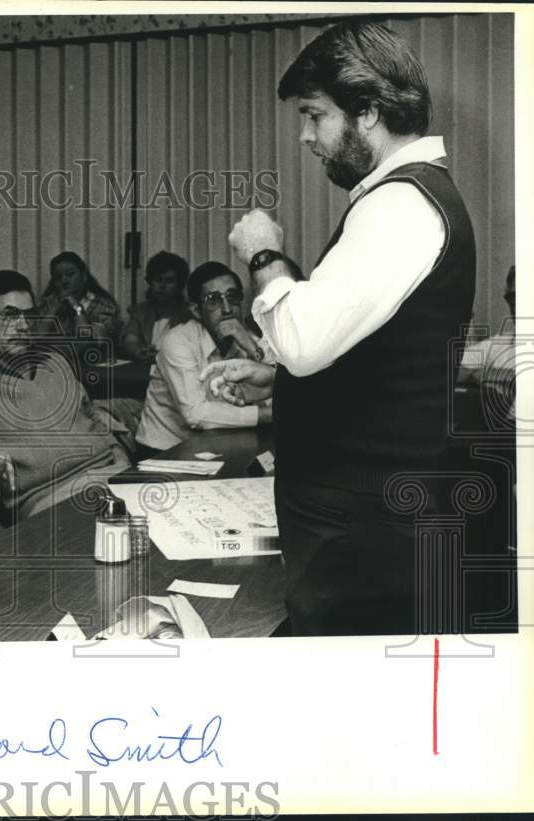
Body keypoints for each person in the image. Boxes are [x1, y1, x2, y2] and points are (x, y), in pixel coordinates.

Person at [201, 21, 476, 636]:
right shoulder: (403, 200)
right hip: (365, 529)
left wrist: (264, 254)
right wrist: (277, 381)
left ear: (369, 111)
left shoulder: (400, 206)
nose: (305, 136)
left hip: (362, 538)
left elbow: (304, 341)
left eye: (313, 116)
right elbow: (367, 355)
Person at [0, 270, 131, 520]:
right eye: (10, 316)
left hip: (114, 477)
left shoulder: (56, 362)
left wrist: (118, 453)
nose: (23, 326)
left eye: (29, 315)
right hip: (52, 503)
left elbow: (91, 414)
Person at [135, 261, 273, 457]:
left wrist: (252, 348)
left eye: (232, 297)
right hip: (164, 452)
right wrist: (267, 416)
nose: (227, 309)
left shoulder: (247, 339)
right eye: (213, 300)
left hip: (218, 446)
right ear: (196, 310)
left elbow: (280, 390)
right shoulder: (177, 341)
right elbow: (196, 414)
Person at [458, 265, 516, 418]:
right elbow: (450, 368)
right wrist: (504, 377)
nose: (517, 306)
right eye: (512, 298)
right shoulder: (500, 343)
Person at [38, 251, 122, 347]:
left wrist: (77, 309)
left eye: (70, 274)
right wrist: (55, 308)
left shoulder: (104, 306)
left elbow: (86, 340)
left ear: (84, 276)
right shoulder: (47, 304)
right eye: (58, 277)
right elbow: (36, 338)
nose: (64, 281)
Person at [119, 251, 191, 361]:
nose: (162, 286)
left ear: (180, 285)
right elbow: (130, 340)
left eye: (169, 281)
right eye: (158, 280)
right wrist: (138, 351)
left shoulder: (189, 314)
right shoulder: (140, 312)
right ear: (150, 282)